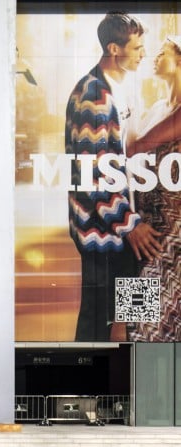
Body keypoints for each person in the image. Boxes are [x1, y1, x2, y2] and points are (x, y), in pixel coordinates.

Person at [65, 11, 161, 341]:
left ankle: (139, 384)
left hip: (121, 227)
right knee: (97, 324)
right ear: (114, 48)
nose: (143, 54)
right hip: (104, 234)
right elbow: (94, 174)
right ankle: (80, 386)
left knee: (134, 320)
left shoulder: (119, 87)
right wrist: (130, 225)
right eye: (137, 48)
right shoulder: (93, 97)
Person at [129, 36, 181, 342]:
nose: (153, 57)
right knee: (136, 329)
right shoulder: (157, 108)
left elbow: (136, 147)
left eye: (162, 52)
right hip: (147, 230)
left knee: (158, 333)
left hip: (174, 237)